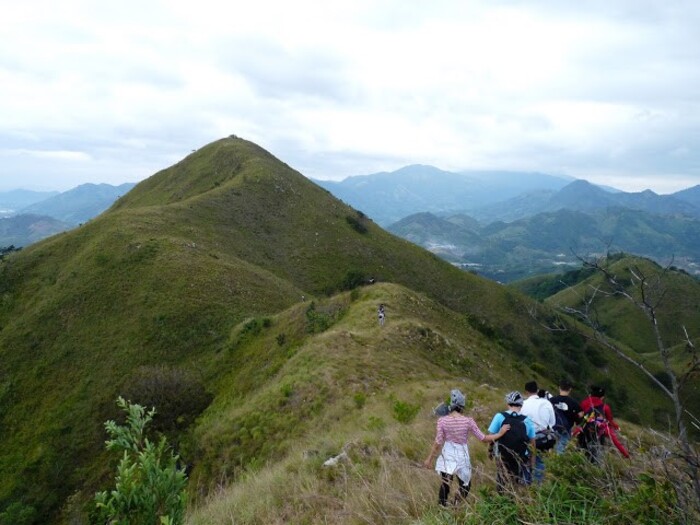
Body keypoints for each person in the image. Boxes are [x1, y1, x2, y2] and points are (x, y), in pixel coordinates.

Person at [424, 389, 510, 506]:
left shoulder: (442, 421)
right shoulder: (468, 421)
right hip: (462, 454)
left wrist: (429, 458)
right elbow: (483, 438)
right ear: (462, 407)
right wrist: (500, 433)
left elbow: (438, 441)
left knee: (445, 484)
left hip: (447, 452)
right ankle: (456, 504)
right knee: (465, 485)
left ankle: (442, 507)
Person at [488, 391, 536, 492]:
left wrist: (490, 451)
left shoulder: (500, 416)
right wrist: (532, 460)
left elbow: (491, 436)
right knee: (516, 479)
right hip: (521, 455)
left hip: (502, 454)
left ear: (508, 403)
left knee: (501, 477)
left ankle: (500, 498)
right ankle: (514, 498)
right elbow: (532, 443)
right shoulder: (527, 420)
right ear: (521, 405)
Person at [574, 385, 630, 462]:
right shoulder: (605, 408)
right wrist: (625, 454)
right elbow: (610, 423)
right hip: (597, 437)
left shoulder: (584, 403)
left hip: (583, 434)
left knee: (578, 456)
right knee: (595, 459)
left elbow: (580, 420)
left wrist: (573, 433)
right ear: (602, 397)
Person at [520, 381, 556, 483]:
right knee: (540, 462)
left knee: (526, 461)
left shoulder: (523, 404)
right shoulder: (546, 403)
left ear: (526, 391)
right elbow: (552, 422)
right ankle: (538, 486)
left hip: (527, 437)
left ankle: (526, 484)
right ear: (537, 390)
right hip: (542, 438)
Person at [549, 379, 582, 454]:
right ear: (570, 389)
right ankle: (557, 462)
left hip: (552, 428)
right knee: (560, 450)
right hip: (566, 429)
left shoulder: (551, 400)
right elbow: (580, 414)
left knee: (549, 448)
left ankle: (549, 461)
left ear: (559, 387)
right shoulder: (574, 403)